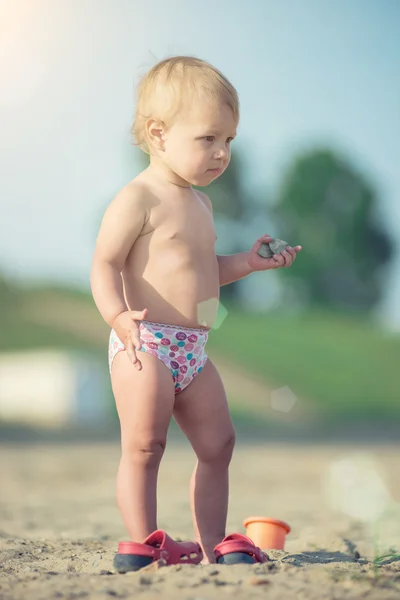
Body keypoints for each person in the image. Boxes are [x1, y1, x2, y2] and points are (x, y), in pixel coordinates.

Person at [90, 55, 301, 569]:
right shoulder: (139, 197)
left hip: (193, 349)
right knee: (145, 444)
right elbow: (105, 262)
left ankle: (210, 545)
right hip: (146, 343)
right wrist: (119, 317)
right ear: (159, 134)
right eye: (208, 139)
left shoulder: (201, 205)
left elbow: (202, 272)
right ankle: (144, 542)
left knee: (219, 443)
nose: (222, 153)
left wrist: (247, 264)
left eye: (229, 141)